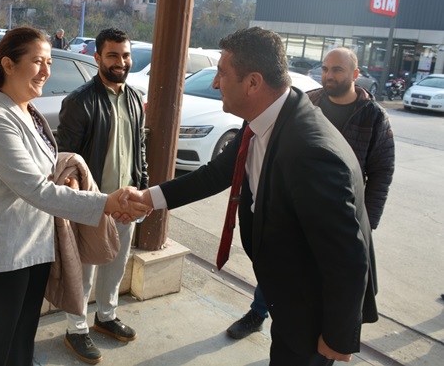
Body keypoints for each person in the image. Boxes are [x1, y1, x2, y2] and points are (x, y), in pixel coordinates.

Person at [129, 27, 378, 366]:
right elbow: (216, 174)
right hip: (283, 288)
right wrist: (147, 198)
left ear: (253, 83)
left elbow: (346, 255)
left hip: (310, 306)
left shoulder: (310, 151)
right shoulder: (265, 117)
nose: (215, 83)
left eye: (222, 73)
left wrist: (338, 334)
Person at [0, 26, 148, 366]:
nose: (46, 70)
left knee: (21, 338)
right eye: (37, 61)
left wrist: (70, 175)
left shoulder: (27, 111)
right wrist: (106, 202)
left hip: (33, 247)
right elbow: (36, 188)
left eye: (49, 61)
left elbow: (45, 164)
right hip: (0, 255)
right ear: (8, 64)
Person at [226, 46, 395, 340]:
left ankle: (323, 334)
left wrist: (367, 220)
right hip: (292, 208)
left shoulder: (373, 116)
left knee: (328, 277)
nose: (328, 75)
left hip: (337, 213)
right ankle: (259, 313)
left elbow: (382, 172)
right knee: (277, 266)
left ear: (355, 74)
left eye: (337, 70)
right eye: (325, 69)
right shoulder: (309, 101)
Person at [57, 27, 148, 364]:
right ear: (97, 57)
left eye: (125, 55)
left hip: (128, 203)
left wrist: (142, 192)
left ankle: (106, 316)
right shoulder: (79, 102)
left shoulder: (135, 98)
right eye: (112, 55)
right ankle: (76, 328)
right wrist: (82, 203)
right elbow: (66, 161)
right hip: (93, 204)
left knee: (116, 264)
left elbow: (140, 149)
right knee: (84, 270)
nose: (120, 61)